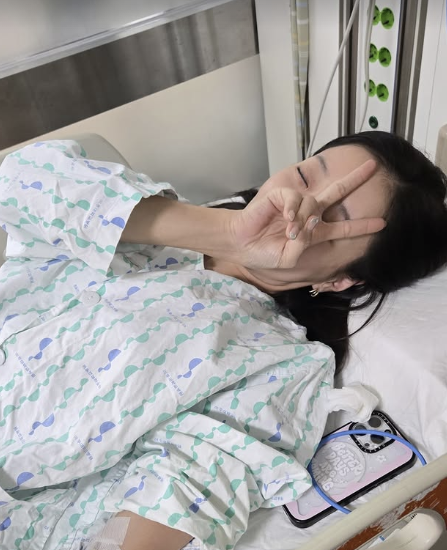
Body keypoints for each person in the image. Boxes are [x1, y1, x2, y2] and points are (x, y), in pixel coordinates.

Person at [0, 131, 446, 550]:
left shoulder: (278, 365)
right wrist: (226, 233)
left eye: (330, 220)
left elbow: (179, 493)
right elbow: (21, 178)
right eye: (305, 175)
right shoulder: (148, 223)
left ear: (339, 280)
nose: (300, 206)